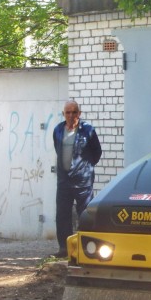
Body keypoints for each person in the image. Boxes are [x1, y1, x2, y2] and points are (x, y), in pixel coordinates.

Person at [53, 100, 102, 257]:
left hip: (83, 182)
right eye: (68, 112)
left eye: (74, 112)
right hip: (64, 181)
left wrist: (85, 168)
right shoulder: (58, 130)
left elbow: (97, 152)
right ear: (63, 114)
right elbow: (57, 149)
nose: (71, 115)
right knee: (62, 215)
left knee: (85, 215)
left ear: (79, 114)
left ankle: (85, 249)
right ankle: (64, 249)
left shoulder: (87, 130)